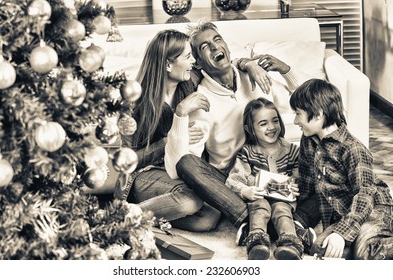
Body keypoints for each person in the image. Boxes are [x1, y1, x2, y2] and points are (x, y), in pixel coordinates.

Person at [164, 19, 318, 246]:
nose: (216, 47)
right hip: (234, 182)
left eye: (218, 40)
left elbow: (312, 105)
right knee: (187, 163)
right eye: (206, 47)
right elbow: (183, 165)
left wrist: (286, 70)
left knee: (325, 173)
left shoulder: (253, 74)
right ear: (197, 63)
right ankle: (261, 223)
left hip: (278, 169)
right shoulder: (202, 101)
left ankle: (276, 225)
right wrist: (180, 122)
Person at [115, 29, 221, 232]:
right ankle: (120, 218)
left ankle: (144, 216)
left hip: (178, 172)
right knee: (190, 201)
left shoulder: (187, 82)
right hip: (142, 175)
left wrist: (249, 64)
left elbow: (219, 65)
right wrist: (171, 139)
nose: (193, 62)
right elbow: (126, 163)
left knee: (209, 217)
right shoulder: (134, 103)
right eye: (188, 56)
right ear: (167, 64)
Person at [290, 78, 393, 260]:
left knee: (368, 254)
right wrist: (292, 199)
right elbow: (306, 184)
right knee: (321, 251)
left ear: (318, 114)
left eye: (298, 114)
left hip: (371, 206)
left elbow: (364, 195)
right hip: (342, 210)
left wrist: (341, 234)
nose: (295, 120)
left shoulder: (353, 149)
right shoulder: (308, 140)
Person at [225, 97, 304, 260]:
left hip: (284, 202)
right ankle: (257, 242)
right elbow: (233, 179)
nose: (271, 127)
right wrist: (245, 190)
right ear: (250, 128)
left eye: (275, 121)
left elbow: (300, 178)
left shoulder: (292, 151)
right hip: (258, 200)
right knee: (260, 207)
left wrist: (297, 186)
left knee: (281, 209)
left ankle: (290, 244)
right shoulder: (247, 152)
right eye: (263, 124)